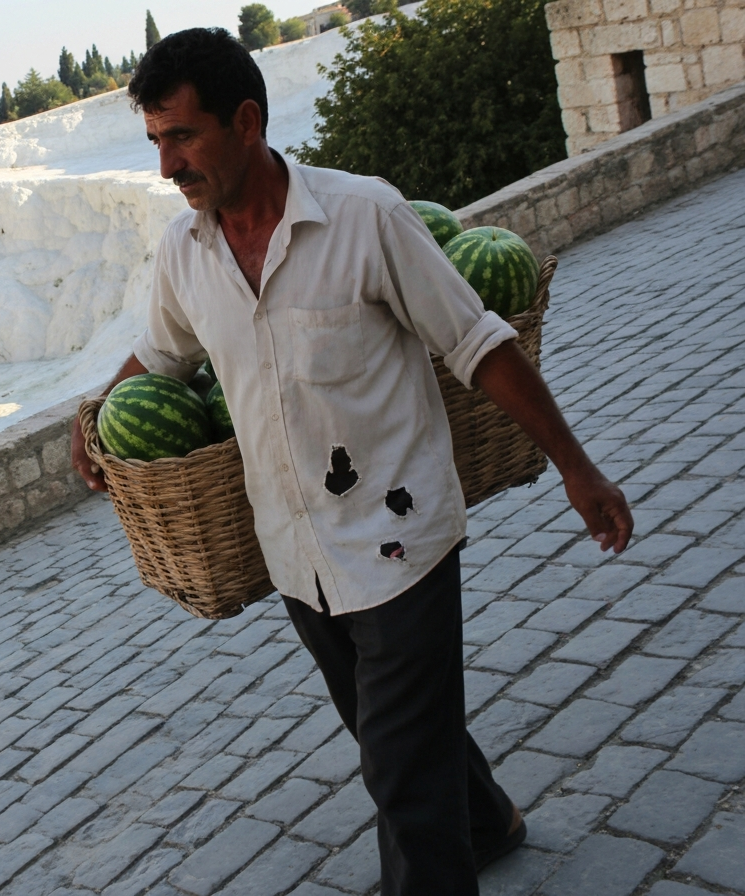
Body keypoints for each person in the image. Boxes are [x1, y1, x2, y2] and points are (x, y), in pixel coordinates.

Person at [69, 27, 634, 896]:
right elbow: (165, 356)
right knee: (387, 730)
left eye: (181, 137)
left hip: (401, 535)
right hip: (298, 551)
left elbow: (479, 342)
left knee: (400, 782)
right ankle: (488, 820)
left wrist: (576, 466)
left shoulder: (365, 215)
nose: (166, 166)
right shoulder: (186, 257)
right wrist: (99, 409)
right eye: (155, 141)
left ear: (247, 120)